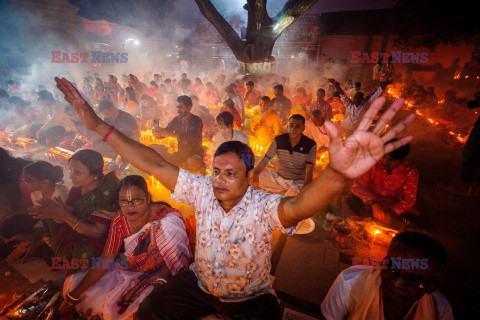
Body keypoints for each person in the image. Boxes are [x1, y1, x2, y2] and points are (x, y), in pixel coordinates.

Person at [55, 76, 415, 319]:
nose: (221, 181)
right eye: (217, 172)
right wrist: (99, 127)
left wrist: (337, 174)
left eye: (231, 174)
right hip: (200, 286)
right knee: (152, 310)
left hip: (251, 298)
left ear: (248, 176)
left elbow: (300, 205)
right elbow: (154, 162)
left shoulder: (262, 206)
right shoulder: (201, 190)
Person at [59, 175, 190, 319]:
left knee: (148, 307)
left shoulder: (166, 219)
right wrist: (73, 297)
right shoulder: (120, 220)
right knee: (87, 294)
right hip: (131, 270)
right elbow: (107, 258)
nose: (130, 207)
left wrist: (160, 282)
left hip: (164, 274)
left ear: (148, 198)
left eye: (137, 200)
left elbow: (174, 257)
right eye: (124, 201)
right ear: (118, 202)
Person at [321, 231, 453, 320]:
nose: (397, 283)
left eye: (413, 279)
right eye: (392, 268)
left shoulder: (439, 311)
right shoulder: (350, 283)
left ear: (431, 285)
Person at [28, 149, 119, 266]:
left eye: (77, 173)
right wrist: (57, 210)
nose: (71, 176)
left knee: (64, 260)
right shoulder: (79, 187)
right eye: (71, 171)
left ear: (95, 175)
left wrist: (64, 215)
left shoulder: (104, 196)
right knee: (48, 222)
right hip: (76, 229)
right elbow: (73, 210)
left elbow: (97, 232)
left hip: (96, 241)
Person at [0, 161, 67, 260]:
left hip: (63, 229)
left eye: (27, 180)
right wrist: (32, 237)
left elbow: (60, 227)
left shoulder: (60, 196)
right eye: (22, 179)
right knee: (6, 227)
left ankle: (33, 249)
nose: (23, 183)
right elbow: (41, 219)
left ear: (44, 182)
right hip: (45, 225)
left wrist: (36, 242)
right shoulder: (36, 194)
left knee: (52, 257)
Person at [347, 142, 419, 227]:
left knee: (411, 222)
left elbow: (409, 198)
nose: (385, 161)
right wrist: (374, 204)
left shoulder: (410, 172)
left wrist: (391, 213)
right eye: (384, 156)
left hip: (393, 205)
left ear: (401, 160)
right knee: (352, 201)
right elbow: (356, 186)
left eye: (391, 159)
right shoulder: (372, 164)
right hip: (372, 202)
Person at [251, 114, 316, 196]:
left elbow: (309, 171)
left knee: (299, 191)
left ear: (303, 128)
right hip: (279, 178)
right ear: (287, 126)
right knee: (251, 173)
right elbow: (265, 159)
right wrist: (256, 174)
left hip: (297, 182)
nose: (293, 129)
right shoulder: (279, 140)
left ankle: (272, 193)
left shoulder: (310, 144)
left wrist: (305, 190)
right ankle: (279, 193)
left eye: (297, 126)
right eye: (291, 125)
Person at [152, 95, 204, 170]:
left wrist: (172, 134)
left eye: (181, 107)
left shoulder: (196, 120)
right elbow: (167, 131)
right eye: (177, 107)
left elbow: (191, 137)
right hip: (181, 153)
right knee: (161, 158)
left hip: (195, 154)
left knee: (190, 163)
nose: (178, 110)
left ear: (189, 108)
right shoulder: (177, 119)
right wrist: (158, 134)